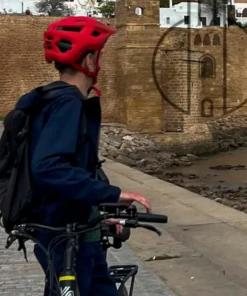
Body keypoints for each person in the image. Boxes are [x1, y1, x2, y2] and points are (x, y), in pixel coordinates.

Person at [22, 16, 152, 296]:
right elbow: (49, 168)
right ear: (90, 60)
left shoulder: (46, 100)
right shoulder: (68, 104)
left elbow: (67, 171)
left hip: (69, 229)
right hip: (67, 238)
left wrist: (98, 215)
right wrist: (112, 194)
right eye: (99, 55)